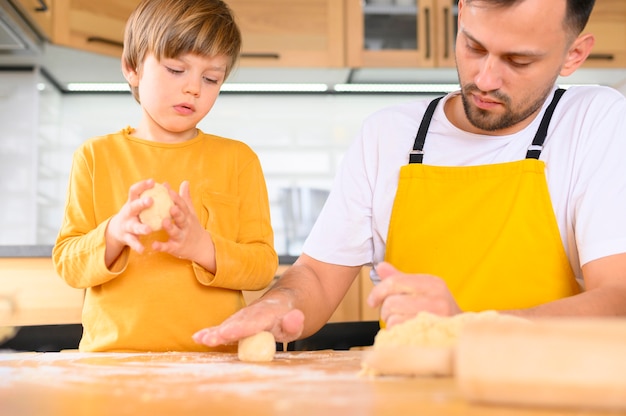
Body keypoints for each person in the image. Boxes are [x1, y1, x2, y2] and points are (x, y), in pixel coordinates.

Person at [193, 0, 626, 349]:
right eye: (474, 46)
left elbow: (618, 299)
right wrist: (282, 302)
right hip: (407, 393)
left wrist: (469, 329)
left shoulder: (594, 121)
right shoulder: (387, 134)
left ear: (574, 54)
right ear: (459, 16)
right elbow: (319, 277)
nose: (486, 78)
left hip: (544, 394)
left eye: (519, 60)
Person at [52, 0, 278, 352]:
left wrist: (202, 247)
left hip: (214, 366)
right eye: (176, 69)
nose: (193, 88)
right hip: (113, 367)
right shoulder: (95, 157)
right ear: (133, 69)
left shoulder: (238, 160)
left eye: (211, 78)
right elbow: (68, 264)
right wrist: (113, 234)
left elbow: (262, 266)